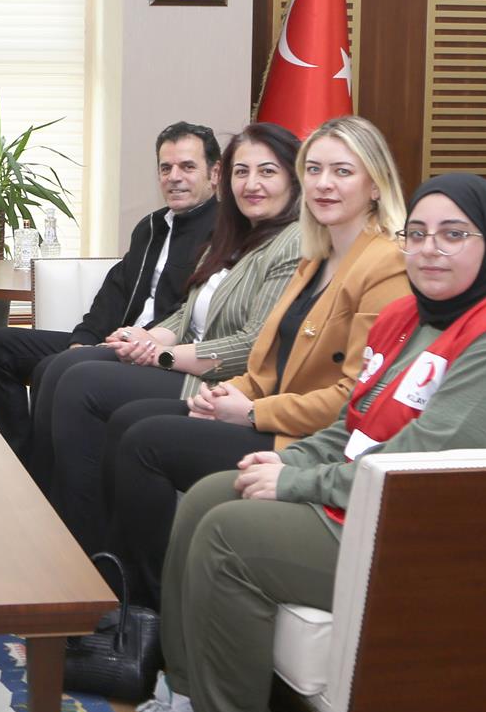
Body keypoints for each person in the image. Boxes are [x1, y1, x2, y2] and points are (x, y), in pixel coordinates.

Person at [110, 173, 486, 712]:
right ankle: (189, 701)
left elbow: (417, 469)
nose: (430, 250)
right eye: (418, 234)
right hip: (369, 506)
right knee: (206, 499)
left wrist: (297, 480)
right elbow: (356, 421)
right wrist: (292, 458)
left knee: (228, 537)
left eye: (453, 235)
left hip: (433, 539)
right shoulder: (411, 315)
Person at [89, 115, 409, 620]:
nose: (324, 184)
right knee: (131, 421)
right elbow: (268, 359)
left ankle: (142, 615)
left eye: (342, 171)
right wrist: (226, 394)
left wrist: (254, 411)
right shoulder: (317, 255)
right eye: (315, 170)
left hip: (306, 439)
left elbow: (354, 398)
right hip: (265, 409)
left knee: (145, 442)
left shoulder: (385, 263)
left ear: (375, 185)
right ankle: (113, 590)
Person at [35, 123, 304, 566]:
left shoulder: (292, 242)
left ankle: (82, 551)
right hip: (186, 359)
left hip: (222, 382)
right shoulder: (235, 232)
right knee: (65, 367)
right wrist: (148, 336)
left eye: (267, 172)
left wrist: (161, 355)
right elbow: (187, 311)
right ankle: (59, 523)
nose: (251, 184)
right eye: (242, 172)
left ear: (294, 178)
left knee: (81, 384)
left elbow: (252, 346)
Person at [0, 121, 219, 461]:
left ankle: (42, 476)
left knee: (54, 368)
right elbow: (115, 292)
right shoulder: (151, 227)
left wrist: (124, 344)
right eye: (166, 168)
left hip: (152, 354)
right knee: (0, 346)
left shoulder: (224, 236)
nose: (174, 177)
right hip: (111, 342)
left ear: (214, 174)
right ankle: (15, 462)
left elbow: (190, 315)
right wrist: (83, 341)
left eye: (187, 167)